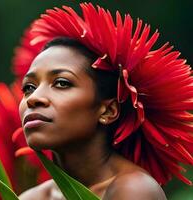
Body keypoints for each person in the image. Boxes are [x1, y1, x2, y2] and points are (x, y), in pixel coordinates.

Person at [11, 2, 193, 199]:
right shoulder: (30, 198)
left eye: (62, 83)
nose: (34, 98)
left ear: (108, 110)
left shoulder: (134, 190)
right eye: (29, 87)